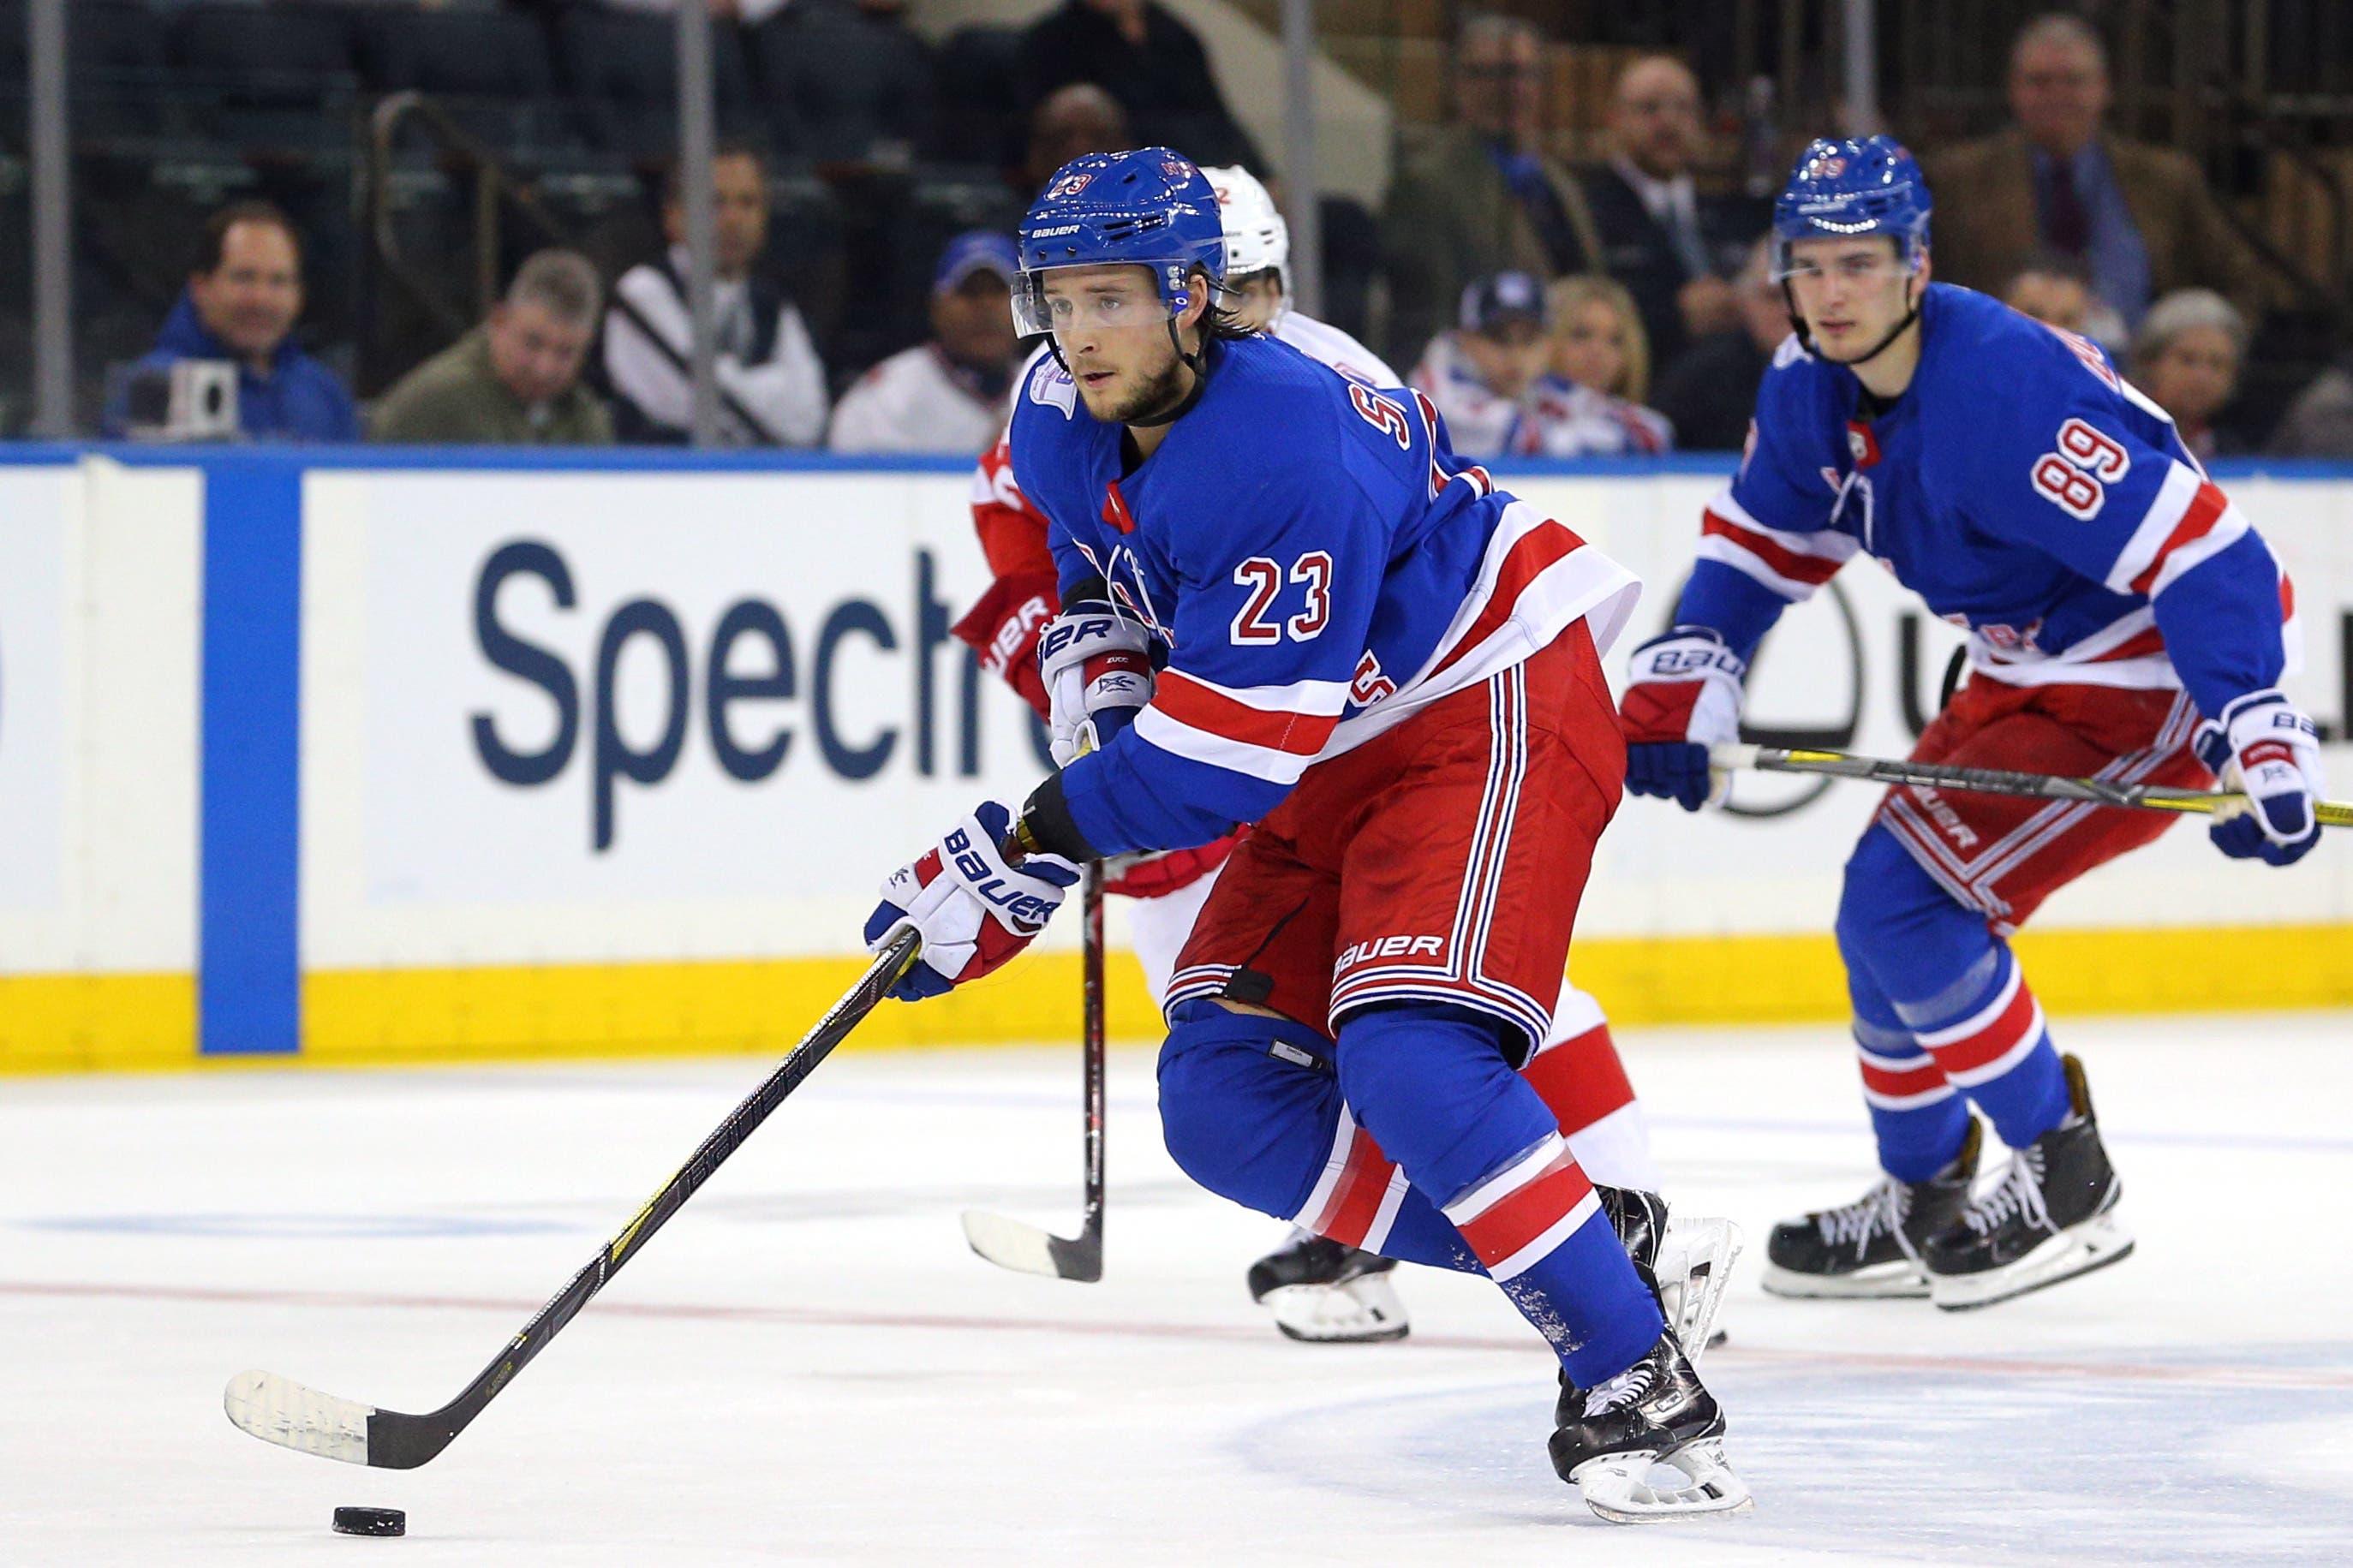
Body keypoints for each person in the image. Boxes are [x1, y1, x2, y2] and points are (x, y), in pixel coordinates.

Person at [874, 147, 1749, 1522]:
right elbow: (1094, 592)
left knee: (1406, 1047)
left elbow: (1225, 757)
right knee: (1220, 1105)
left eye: (1110, 296)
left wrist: (1029, 843)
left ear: (1189, 295)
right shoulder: (1054, 406)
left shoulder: (1293, 441)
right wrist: (1097, 716)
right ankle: (1602, 1242)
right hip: (1331, 746)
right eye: (1058, 297)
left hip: (1478, 700)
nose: (1074, 330)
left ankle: (1633, 1368)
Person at [1621, 137, 2317, 1315]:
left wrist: (2246, 714)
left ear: (1914, 264)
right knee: (1878, 908)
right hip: (2024, 663)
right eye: (1807, 266)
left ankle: (2061, 1173)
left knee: (1906, 904)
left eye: (1858, 263)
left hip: (2141, 669)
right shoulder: (1803, 384)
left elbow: (2204, 553)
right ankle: (1923, 1197)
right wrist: (1691, 668)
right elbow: (1759, 544)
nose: (1830, 292)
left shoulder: (2000, 392)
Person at [1923, 14, 2266, 331]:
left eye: (2073, 81)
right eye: (2040, 82)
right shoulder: (1958, 179)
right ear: (2014, 88)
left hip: (2138, 384)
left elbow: (2240, 279)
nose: (2057, 95)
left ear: (2104, 88)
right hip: (2003, 378)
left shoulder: (2166, 179)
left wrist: (2206, 353)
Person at [1380, 12, 1601, 370]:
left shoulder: (1557, 179)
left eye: (1522, 73)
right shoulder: (1427, 183)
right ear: (1458, 82)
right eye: (1490, 73)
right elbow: (1424, 318)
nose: (1509, 89)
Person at [603, 144, 830, 446]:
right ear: (673, 215)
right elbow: (689, 403)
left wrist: (726, 382)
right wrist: (774, 390)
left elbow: (809, 416)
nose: (733, 219)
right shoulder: (642, 294)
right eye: (715, 202)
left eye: (747, 203)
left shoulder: (773, 304)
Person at [105, 200, 359, 443]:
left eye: (279, 281)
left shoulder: (323, 394)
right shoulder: (157, 390)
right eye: (244, 278)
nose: (261, 299)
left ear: (299, 294)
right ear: (201, 287)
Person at [1580, 54, 1769, 371]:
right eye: (1650, 108)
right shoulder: (1588, 210)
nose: (1668, 123)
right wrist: (1674, 314)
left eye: (1683, 108)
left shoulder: (1734, 210)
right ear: (1614, 118)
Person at [1412, 271, 1669, 458]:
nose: (1514, 355)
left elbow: (1652, 432)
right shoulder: (1434, 384)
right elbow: (1517, 436)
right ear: (1466, 339)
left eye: (1528, 340)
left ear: (1546, 343)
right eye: (1498, 339)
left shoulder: (1540, 387)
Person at [371, 250, 613, 446]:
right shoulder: (435, 403)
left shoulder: (586, 419)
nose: (544, 368)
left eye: (565, 353)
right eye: (532, 343)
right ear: (499, 321)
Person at [828, 233, 1024, 455]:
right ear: (936, 307)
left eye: (999, 292)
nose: (986, 307)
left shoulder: (1046, 386)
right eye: (970, 292)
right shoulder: (889, 394)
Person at [1018, 0, 1257, 170]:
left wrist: (1259, 173)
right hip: (1115, 171)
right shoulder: (1051, 39)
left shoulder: (1173, 33)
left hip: (1191, 167)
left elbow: (1215, 115)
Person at [1650, 237, 1787, 450]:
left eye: (1802, 297)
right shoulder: (1696, 380)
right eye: (1773, 297)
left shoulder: (1851, 374)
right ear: (1744, 300)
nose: (1790, 312)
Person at [1548, 273, 1675, 449]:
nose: (1598, 351)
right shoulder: (1511, 422)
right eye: (1581, 334)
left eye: (1615, 340)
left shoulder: (1649, 430)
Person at [2129, 289, 2248, 462]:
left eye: (2217, 364)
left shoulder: (2233, 452)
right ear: (2149, 362)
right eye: (2187, 360)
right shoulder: (2117, 434)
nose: (2202, 377)